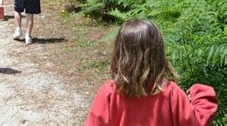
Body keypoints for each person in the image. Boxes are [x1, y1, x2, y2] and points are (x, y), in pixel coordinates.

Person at [85, 19, 218, 126]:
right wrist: (201, 97)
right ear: (157, 53)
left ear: (120, 53)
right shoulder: (171, 93)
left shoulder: (110, 93)